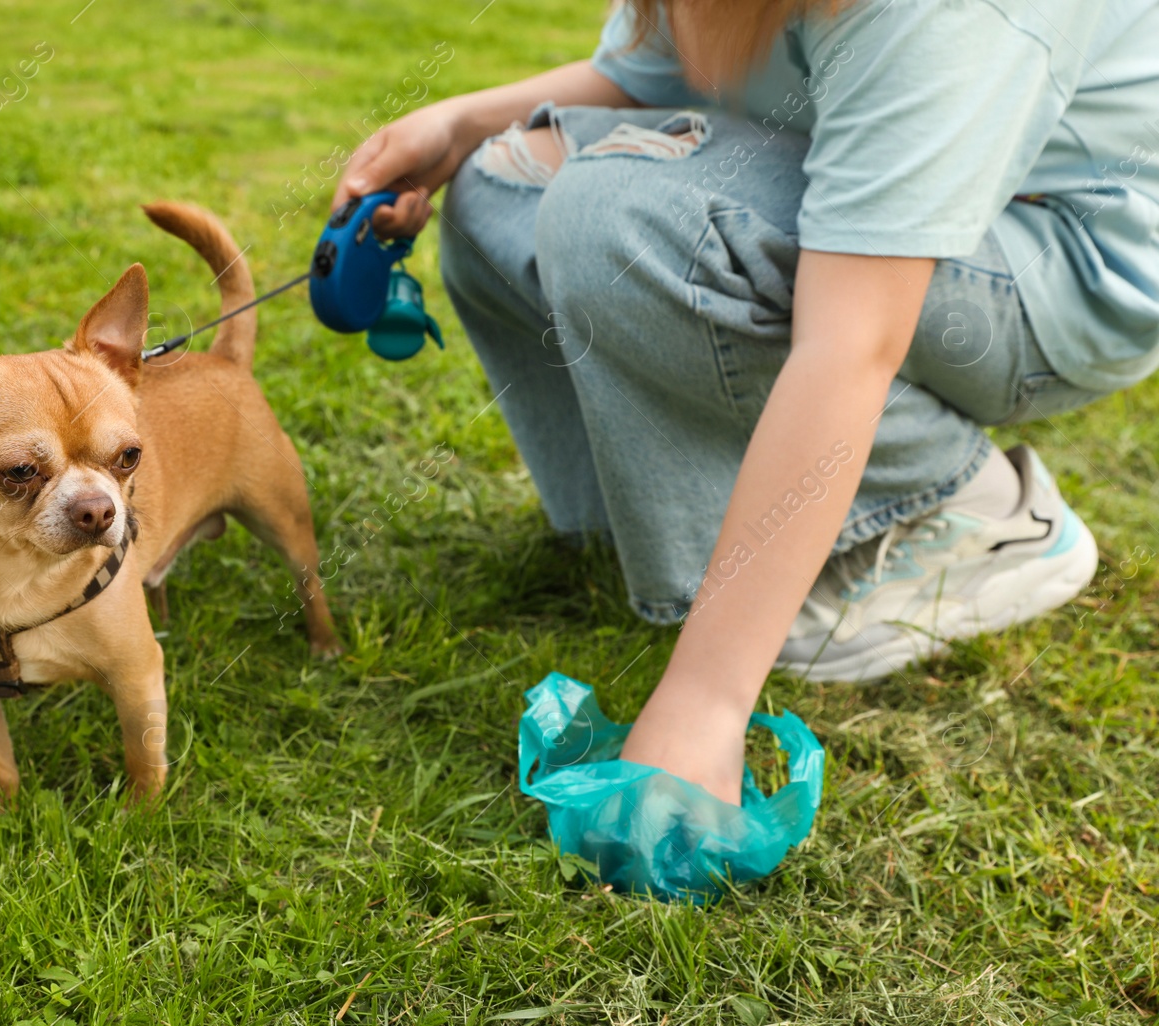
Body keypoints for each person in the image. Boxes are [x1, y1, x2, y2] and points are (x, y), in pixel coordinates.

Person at [332, 0, 1159, 802]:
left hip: (1055, 263)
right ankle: (688, 526)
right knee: (504, 179)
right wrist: (460, 123)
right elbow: (644, 78)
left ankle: (961, 504)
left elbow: (850, 344)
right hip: (871, 184)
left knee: (617, 218)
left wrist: (706, 702)